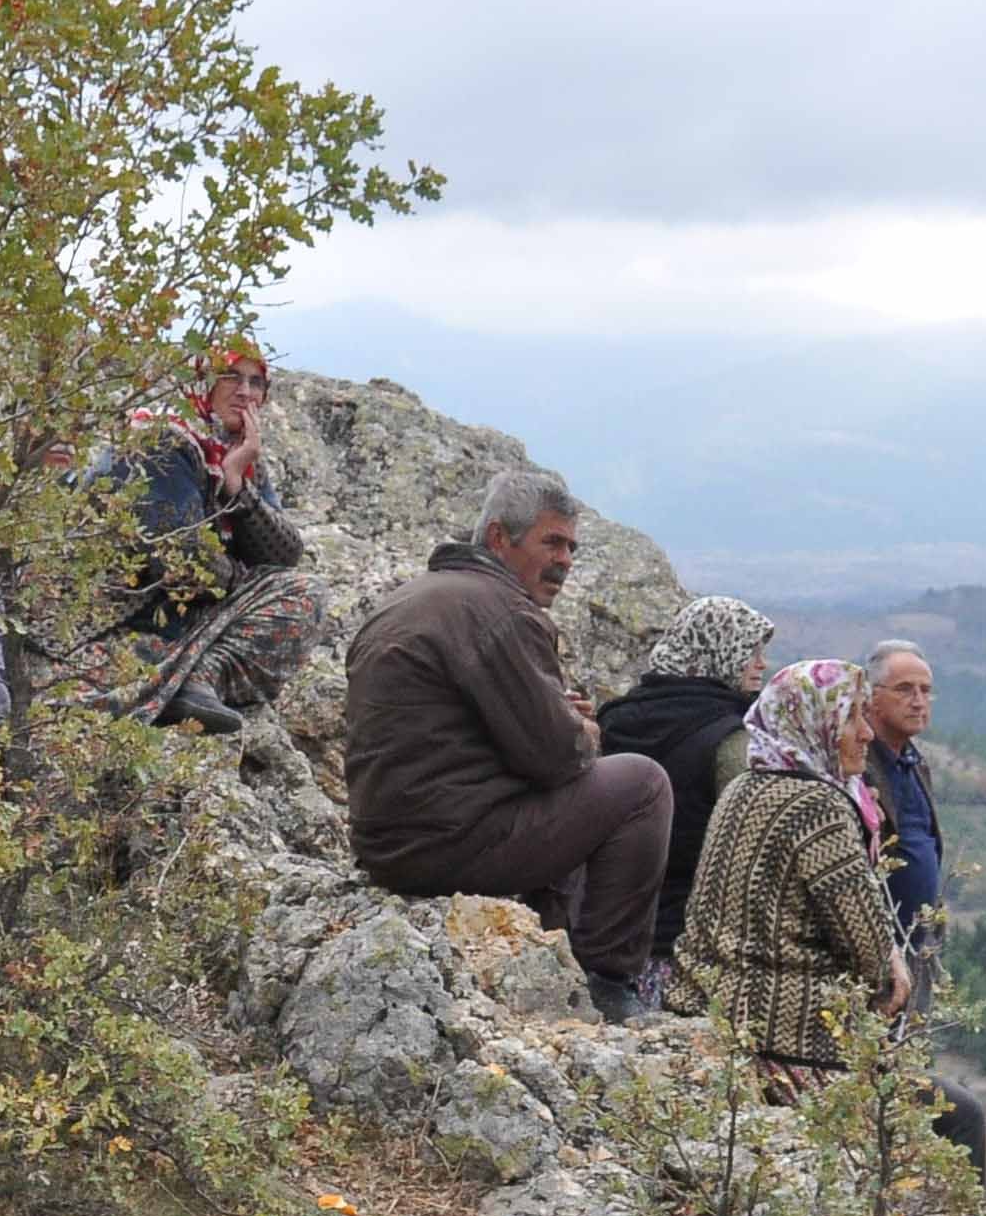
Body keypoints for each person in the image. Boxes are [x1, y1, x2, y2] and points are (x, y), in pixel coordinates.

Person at [342, 467, 671, 1024]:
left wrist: (557, 719)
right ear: (499, 538)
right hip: (448, 846)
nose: (565, 559)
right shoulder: (502, 612)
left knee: (567, 798)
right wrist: (583, 728)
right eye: (552, 542)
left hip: (388, 845)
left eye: (571, 546)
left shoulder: (413, 599)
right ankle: (609, 980)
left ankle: (553, 946)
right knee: (640, 783)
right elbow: (555, 756)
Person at [670, 659, 908, 1071]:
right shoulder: (818, 807)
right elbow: (866, 946)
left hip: (709, 1010)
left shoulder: (744, 786)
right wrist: (890, 974)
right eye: (851, 719)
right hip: (786, 1039)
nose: (867, 734)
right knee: (957, 1116)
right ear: (815, 724)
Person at [95, 343, 320, 734]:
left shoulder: (233, 455)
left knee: (303, 594)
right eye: (231, 376)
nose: (245, 392)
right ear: (202, 382)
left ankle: (199, 681)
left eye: (256, 382)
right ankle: (176, 684)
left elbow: (286, 554)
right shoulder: (162, 441)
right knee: (290, 593)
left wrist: (237, 486)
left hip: (183, 618)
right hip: (124, 617)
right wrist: (246, 581)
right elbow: (183, 562)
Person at [598, 595, 775, 978]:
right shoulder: (732, 740)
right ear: (718, 650)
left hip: (611, 931)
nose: (761, 663)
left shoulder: (615, 720)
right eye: (750, 650)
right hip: (690, 943)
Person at [859, 641, 948, 984]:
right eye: (905, 690)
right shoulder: (856, 768)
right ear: (872, 697)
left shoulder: (915, 763)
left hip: (918, 947)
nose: (918, 701)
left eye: (926, 691)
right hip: (876, 957)